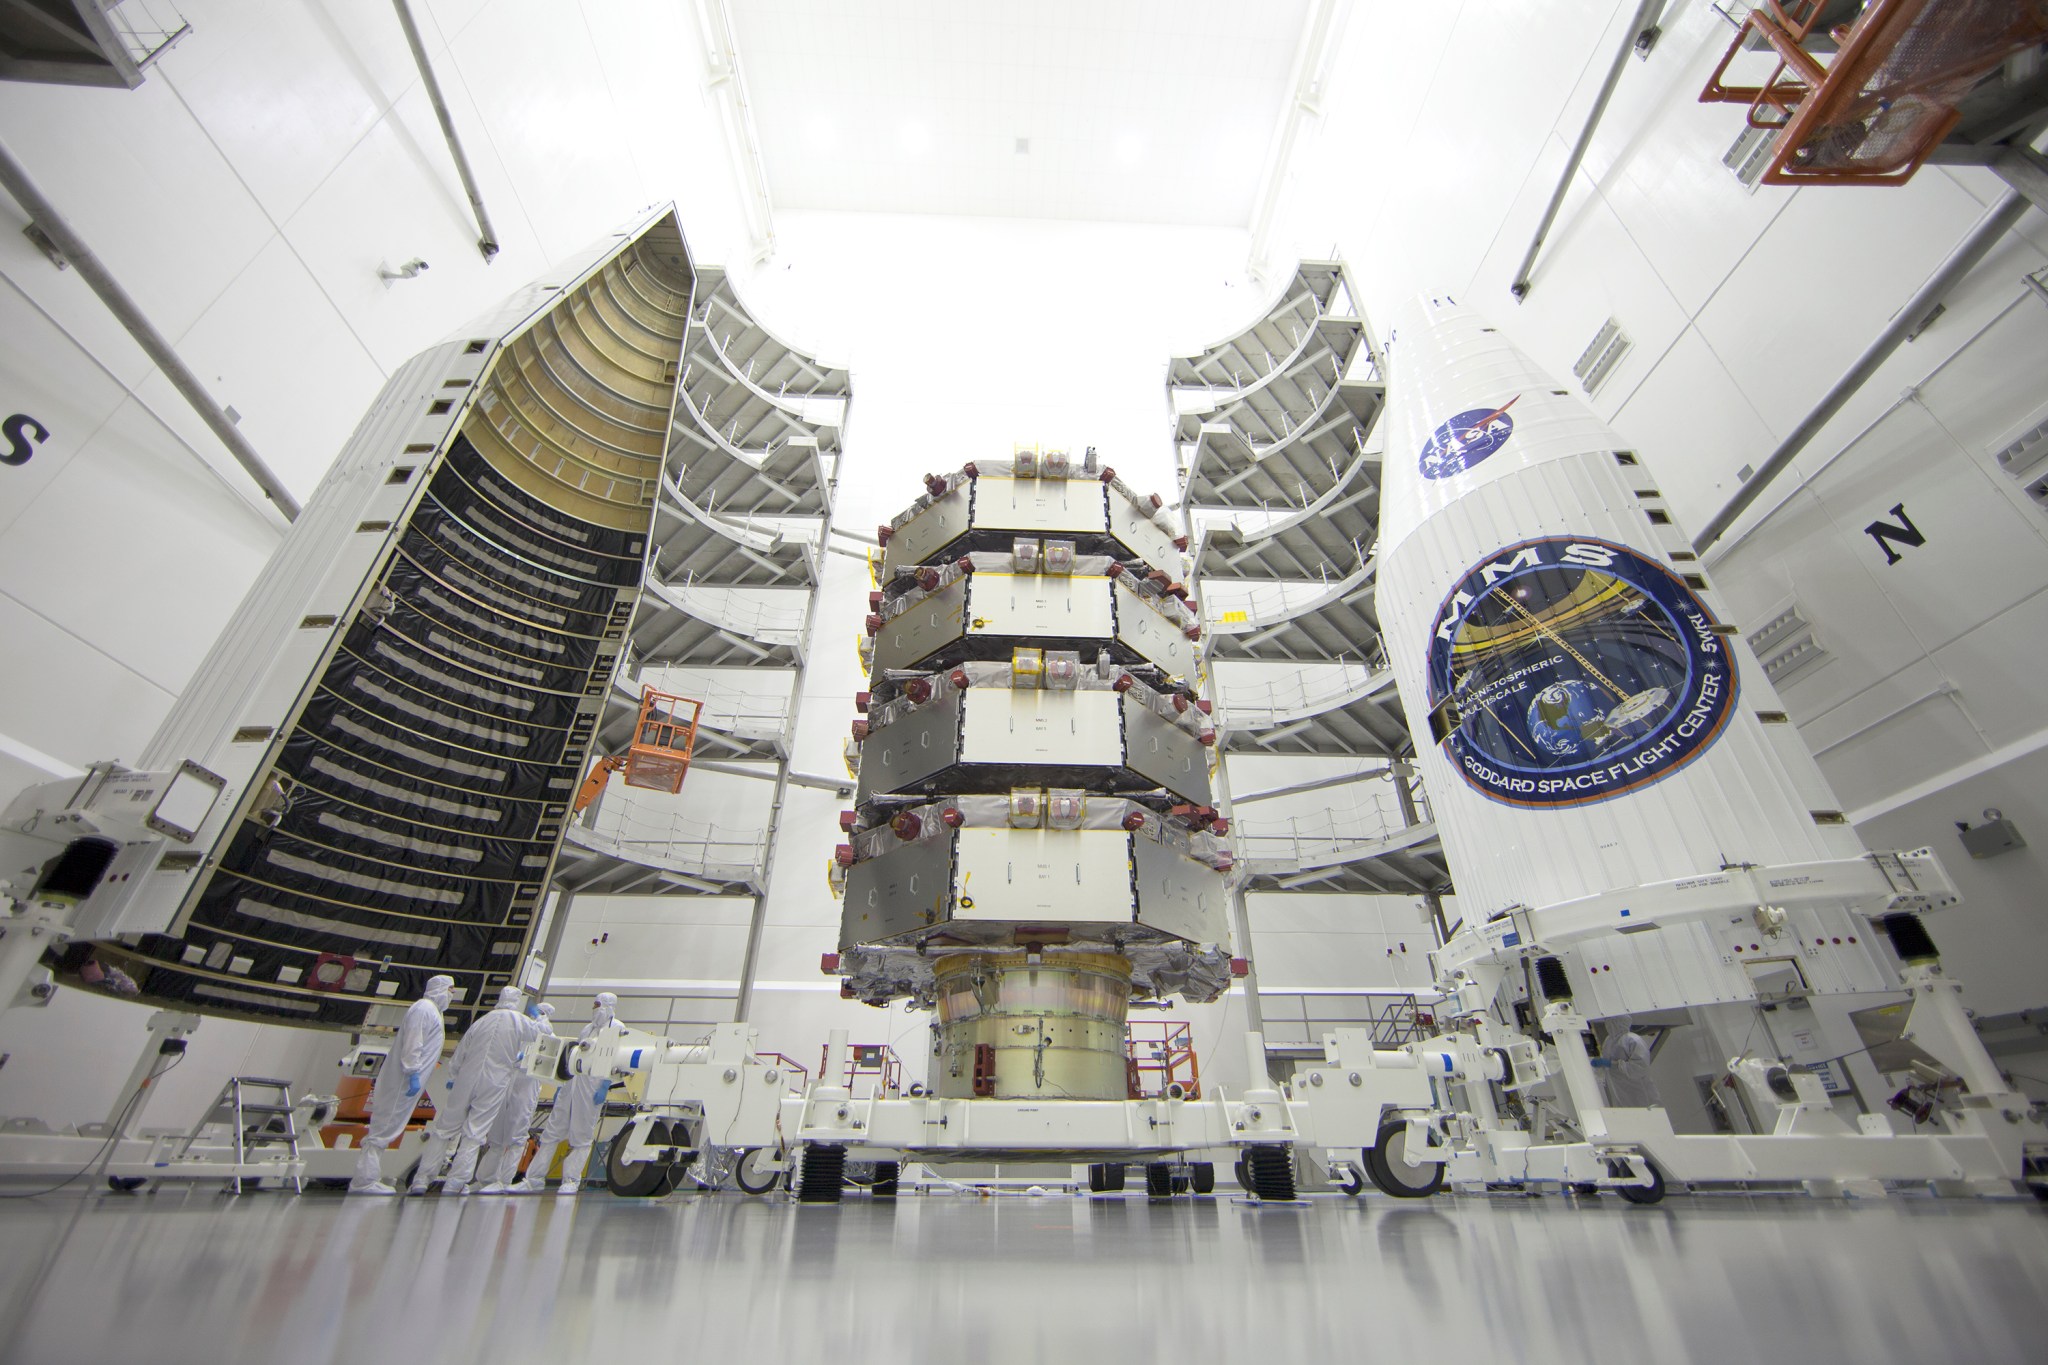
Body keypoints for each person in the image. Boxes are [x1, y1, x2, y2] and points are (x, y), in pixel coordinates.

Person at [409, 986, 541, 1195]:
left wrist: (453, 1076)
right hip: (494, 1082)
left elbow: (461, 1051)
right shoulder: (519, 1021)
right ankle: (455, 1183)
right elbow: (540, 1036)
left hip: (466, 1078)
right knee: (475, 1132)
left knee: (444, 1129)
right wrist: (538, 1018)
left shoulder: (482, 1021)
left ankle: (421, 1180)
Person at [349, 974, 454, 1195]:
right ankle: (363, 1181)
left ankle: (368, 1178)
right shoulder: (424, 1009)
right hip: (402, 1080)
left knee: (389, 1126)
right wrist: (413, 1071)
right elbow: (413, 1044)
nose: (451, 996)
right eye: (449, 991)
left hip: (407, 1080)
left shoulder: (433, 1011)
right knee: (384, 1127)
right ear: (439, 989)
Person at [516, 991, 618, 1195]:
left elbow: (614, 1058)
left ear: (608, 1006)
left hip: (591, 1087)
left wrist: (606, 1085)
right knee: (552, 1131)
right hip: (572, 1084)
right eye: (594, 1004)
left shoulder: (616, 1028)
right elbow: (574, 1056)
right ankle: (534, 1178)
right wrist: (562, 1086)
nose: (595, 1009)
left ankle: (571, 1179)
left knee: (581, 1134)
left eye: (598, 1004)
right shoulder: (587, 1029)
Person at [477, 1002, 555, 1193]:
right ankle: (485, 1179)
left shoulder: (548, 1036)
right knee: (496, 1134)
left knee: (516, 1135)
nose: (536, 1016)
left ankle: (503, 1181)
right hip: (509, 1082)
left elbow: (547, 1063)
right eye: (536, 1012)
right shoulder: (522, 1031)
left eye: (541, 1013)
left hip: (526, 1087)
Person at [1595, 1013, 1660, 1108]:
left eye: (1612, 1022)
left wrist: (1612, 1065)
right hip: (1618, 1089)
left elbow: (1640, 1067)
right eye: (1607, 1021)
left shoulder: (1633, 1040)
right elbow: (1605, 1064)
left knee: (1643, 1114)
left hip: (1638, 1089)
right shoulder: (1609, 1041)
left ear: (1620, 1022)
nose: (1608, 1025)